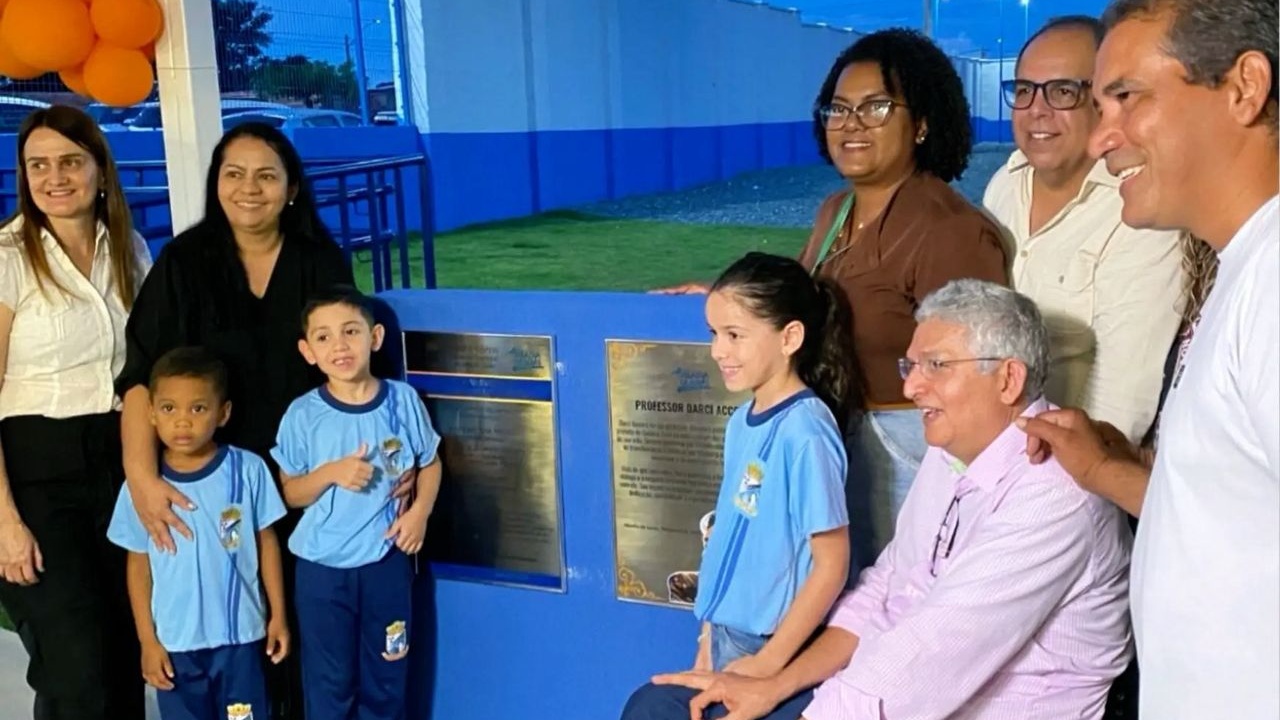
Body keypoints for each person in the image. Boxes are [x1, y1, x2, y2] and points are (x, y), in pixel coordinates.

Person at [625, 279, 1132, 720]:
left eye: (936, 365)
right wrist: (775, 683)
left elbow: (934, 654)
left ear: (1008, 379)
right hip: (877, 688)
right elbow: (887, 586)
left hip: (964, 704)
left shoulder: (1054, 494)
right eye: (910, 365)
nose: (911, 386)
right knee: (656, 706)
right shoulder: (950, 451)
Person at [1018, 1, 1278, 717]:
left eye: (1126, 98)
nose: (1102, 140)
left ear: (1244, 88)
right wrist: (1108, 472)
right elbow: (1231, 514)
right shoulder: (1240, 270)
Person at [116, 122, 356, 719]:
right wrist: (144, 481)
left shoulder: (318, 261)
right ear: (215, 184)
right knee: (222, 651)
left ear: (292, 188)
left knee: (294, 640)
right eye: (234, 174)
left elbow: (351, 367)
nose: (250, 188)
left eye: (267, 175)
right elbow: (141, 381)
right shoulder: (184, 263)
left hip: (307, 486)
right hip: (210, 485)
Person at [0, 105, 151, 720]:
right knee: (75, 668)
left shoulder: (130, 248)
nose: (54, 177)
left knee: (123, 656)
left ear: (100, 169)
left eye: (69, 161)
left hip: (117, 470)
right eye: (39, 165)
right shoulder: (7, 258)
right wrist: (4, 521)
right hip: (34, 476)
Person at [983, 14, 1184, 444]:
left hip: (1070, 474)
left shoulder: (1138, 212)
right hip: (990, 451)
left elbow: (1121, 409)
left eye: (1062, 91)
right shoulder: (1004, 184)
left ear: (1103, 101)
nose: (1037, 110)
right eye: (1023, 91)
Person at [682, 253, 855, 682]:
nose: (718, 350)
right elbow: (726, 529)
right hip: (724, 635)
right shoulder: (741, 421)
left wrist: (770, 663)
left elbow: (832, 564)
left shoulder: (807, 433)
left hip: (765, 646)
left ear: (790, 337)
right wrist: (707, 637)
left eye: (735, 335)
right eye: (714, 334)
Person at [273, 286, 442, 720]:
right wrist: (331, 473)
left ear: (376, 337)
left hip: (386, 565)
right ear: (307, 351)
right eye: (324, 337)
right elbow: (290, 492)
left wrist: (419, 513)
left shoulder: (402, 401)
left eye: (351, 331)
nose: (339, 346)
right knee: (331, 683)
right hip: (322, 573)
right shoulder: (303, 415)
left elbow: (430, 462)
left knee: (387, 675)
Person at [107, 347, 289, 720]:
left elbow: (266, 544)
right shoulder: (142, 488)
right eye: (170, 408)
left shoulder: (248, 470)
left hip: (240, 638)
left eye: (198, 409)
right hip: (176, 645)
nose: (183, 422)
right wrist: (147, 640)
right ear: (152, 414)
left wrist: (278, 616)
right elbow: (138, 566)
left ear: (223, 413)